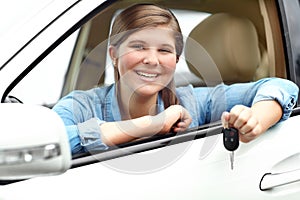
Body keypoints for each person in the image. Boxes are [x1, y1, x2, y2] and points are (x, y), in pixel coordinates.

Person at [53, 3, 299, 155]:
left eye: (164, 50)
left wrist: (255, 119)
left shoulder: (193, 101)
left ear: (177, 59)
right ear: (114, 55)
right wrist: (152, 124)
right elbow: (53, 142)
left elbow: (282, 87)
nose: (152, 59)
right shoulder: (80, 105)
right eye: (138, 47)